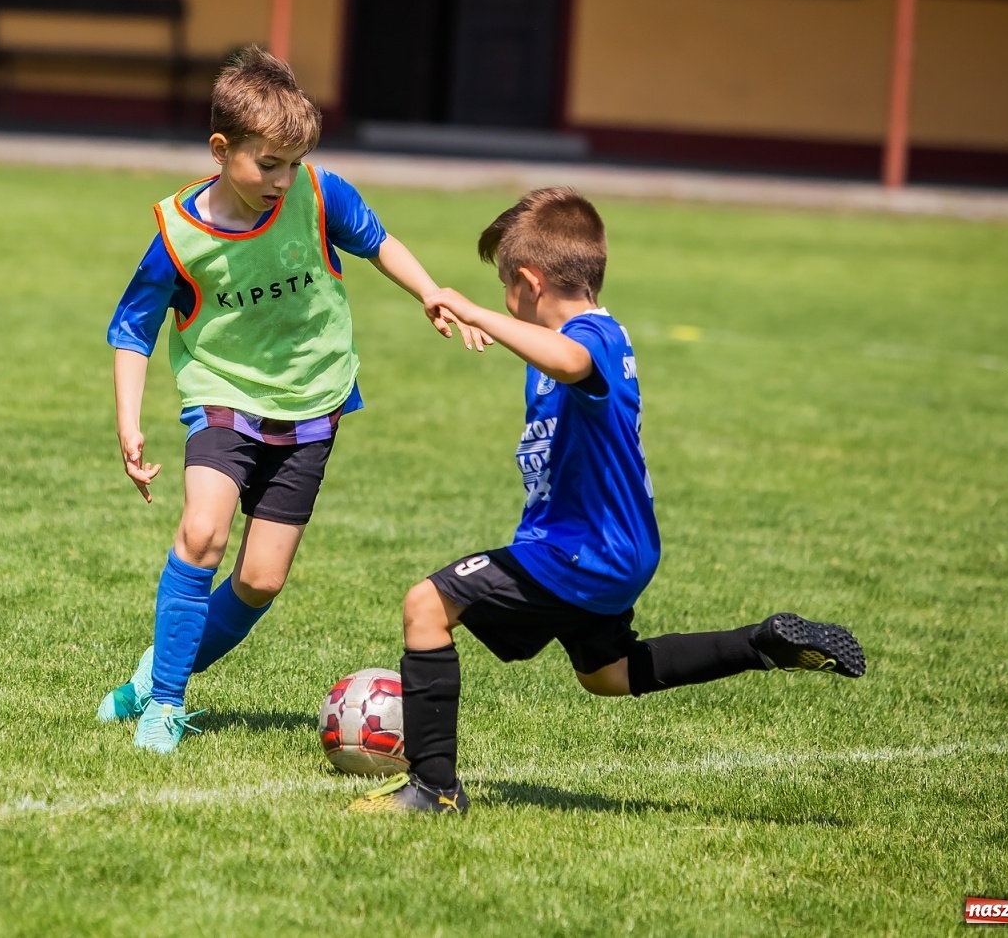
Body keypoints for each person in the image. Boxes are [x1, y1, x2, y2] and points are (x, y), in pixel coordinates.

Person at [349, 187, 866, 814]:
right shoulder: (580, 340)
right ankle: (760, 643)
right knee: (609, 675)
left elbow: (571, 361)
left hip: (580, 552)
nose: (506, 301)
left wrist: (477, 312)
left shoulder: (593, 337)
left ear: (531, 283)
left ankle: (434, 789)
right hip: (608, 549)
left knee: (426, 606)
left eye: (507, 287)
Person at [99, 46, 487, 754]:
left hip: (314, 401)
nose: (282, 179)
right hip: (223, 397)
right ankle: (164, 704)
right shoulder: (179, 236)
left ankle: (155, 669)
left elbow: (377, 240)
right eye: (266, 164)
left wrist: (429, 290)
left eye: (292, 162)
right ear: (222, 149)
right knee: (203, 533)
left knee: (260, 578)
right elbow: (132, 328)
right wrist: (129, 423)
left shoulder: (318, 193)